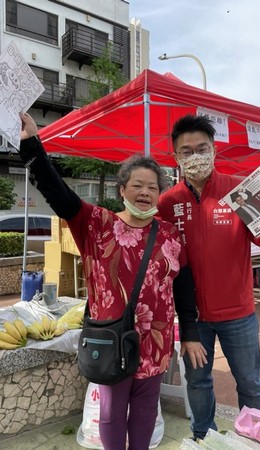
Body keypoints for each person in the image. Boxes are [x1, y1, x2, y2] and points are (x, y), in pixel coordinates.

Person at [19, 112, 206, 450]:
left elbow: (183, 287)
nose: (145, 192)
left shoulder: (169, 235)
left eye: (153, 187)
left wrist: (190, 333)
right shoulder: (95, 223)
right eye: (137, 185)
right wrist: (33, 146)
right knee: (111, 412)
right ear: (122, 189)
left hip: (155, 341)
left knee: (147, 411)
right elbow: (57, 192)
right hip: (111, 339)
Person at [157, 114, 260, 441]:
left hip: (239, 314)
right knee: (198, 382)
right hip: (194, 319)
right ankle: (205, 438)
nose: (195, 156)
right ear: (175, 157)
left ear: (214, 150)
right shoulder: (168, 202)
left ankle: (254, 440)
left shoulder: (239, 191)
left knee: (250, 383)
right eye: (186, 151)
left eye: (202, 148)